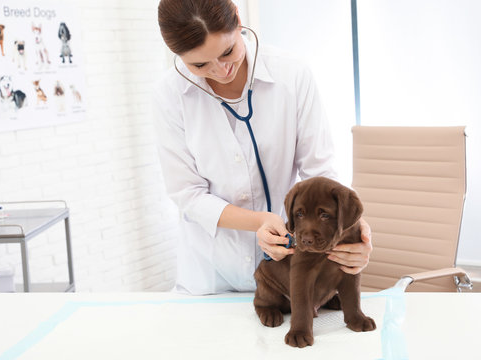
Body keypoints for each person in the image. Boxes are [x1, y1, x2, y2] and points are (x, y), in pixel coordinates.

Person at [154, 0, 372, 295]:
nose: (221, 70)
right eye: (200, 65)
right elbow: (188, 194)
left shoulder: (292, 76)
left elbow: (319, 171)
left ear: (238, 19)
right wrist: (260, 221)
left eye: (227, 51)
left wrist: (351, 232)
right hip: (211, 275)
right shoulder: (171, 95)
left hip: (285, 274)